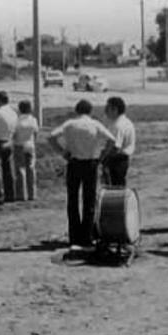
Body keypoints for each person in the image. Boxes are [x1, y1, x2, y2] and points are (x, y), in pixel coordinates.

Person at [47, 99, 115, 248]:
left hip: (74, 162)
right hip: (91, 163)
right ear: (90, 111)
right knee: (89, 200)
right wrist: (102, 155)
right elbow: (112, 140)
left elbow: (51, 137)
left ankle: (74, 235)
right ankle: (87, 235)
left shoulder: (69, 124)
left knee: (72, 199)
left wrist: (62, 152)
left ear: (76, 110)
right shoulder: (95, 124)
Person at [102, 96, 135, 188]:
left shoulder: (118, 125)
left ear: (115, 109)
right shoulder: (126, 122)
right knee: (119, 185)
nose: (105, 111)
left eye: (107, 108)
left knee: (114, 188)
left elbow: (115, 147)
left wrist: (103, 159)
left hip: (116, 160)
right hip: (122, 160)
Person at [12, 100, 41, 201]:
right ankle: (32, 193)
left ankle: (21, 194)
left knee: (20, 169)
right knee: (31, 169)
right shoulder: (33, 120)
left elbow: (13, 134)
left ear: (20, 109)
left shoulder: (17, 121)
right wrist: (33, 142)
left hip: (19, 144)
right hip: (30, 145)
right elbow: (36, 133)